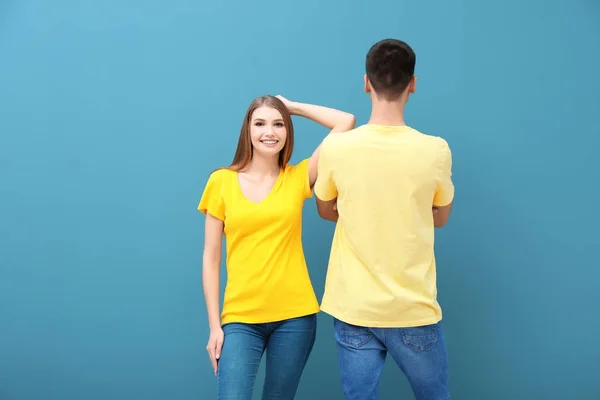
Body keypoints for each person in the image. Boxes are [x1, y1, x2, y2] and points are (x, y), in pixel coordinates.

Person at [314, 38, 455, 400]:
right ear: (412, 83)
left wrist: (357, 212)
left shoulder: (337, 148)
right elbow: (440, 217)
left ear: (366, 82)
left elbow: (325, 208)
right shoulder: (435, 149)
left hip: (354, 306)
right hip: (413, 307)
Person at [198, 94, 355, 399]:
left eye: (278, 124)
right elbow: (210, 258)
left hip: (295, 317)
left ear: (287, 131)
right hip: (241, 319)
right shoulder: (221, 182)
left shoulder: (298, 177)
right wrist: (215, 327)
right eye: (260, 123)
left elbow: (345, 122)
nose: (269, 132)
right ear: (248, 130)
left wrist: (292, 106)